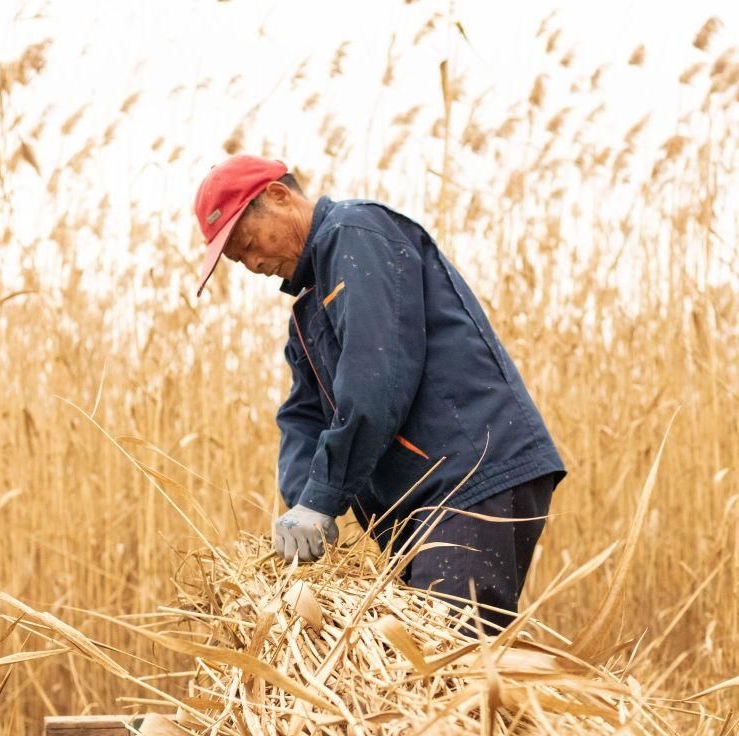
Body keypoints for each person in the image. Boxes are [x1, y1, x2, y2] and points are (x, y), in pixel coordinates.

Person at [194, 154, 566, 632]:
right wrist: (301, 508)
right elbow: (302, 417)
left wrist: (325, 498)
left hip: (470, 481)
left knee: (442, 662)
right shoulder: (307, 311)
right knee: (423, 674)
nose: (253, 264)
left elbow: (377, 375)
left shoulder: (356, 234)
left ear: (279, 197)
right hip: (423, 506)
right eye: (238, 260)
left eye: (248, 244)